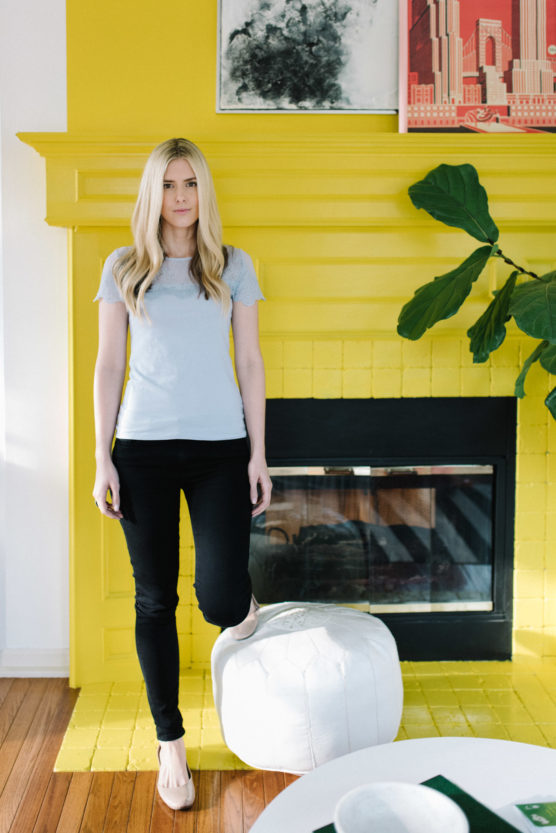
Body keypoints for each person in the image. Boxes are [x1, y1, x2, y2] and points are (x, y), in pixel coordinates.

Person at [92, 137, 272, 811]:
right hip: (141, 451)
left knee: (219, 600)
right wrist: (102, 457)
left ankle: (244, 609)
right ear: (153, 193)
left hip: (220, 449)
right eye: (168, 184)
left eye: (190, 183)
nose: (180, 197)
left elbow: (249, 361)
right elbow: (109, 365)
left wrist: (258, 453)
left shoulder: (232, 265)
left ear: (203, 191)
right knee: (154, 600)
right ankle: (171, 741)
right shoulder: (123, 268)